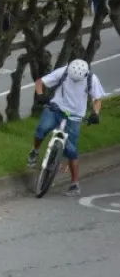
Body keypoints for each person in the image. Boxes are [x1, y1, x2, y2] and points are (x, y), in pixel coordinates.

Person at [27, 58, 106, 195]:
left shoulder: (91, 79)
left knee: (71, 150)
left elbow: (97, 99)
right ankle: (35, 151)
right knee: (42, 129)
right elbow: (40, 82)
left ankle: (75, 184)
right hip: (56, 108)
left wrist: (95, 113)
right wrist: (40, 95)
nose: (74, 81)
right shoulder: (63, 72)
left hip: (75, 115)